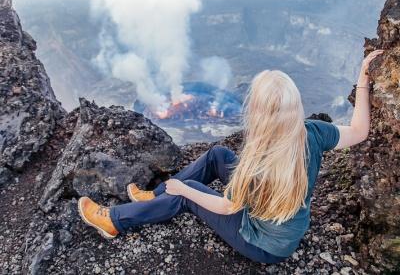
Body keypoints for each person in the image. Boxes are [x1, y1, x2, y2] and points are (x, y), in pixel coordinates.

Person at [78, 50, 384, 263]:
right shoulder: (314, 132)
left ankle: (116, 221)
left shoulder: (257, 162)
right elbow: (359, 131)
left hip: (264, 245)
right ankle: (153, 197)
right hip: (286, 227)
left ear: (259, 112)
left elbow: (227, 206)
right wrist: (364, 80)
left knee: (190, 194)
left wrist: (184, 189)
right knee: (218, 155)